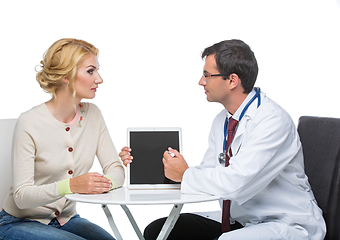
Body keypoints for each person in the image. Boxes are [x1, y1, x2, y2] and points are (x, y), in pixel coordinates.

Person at [119, 39, 326, 240]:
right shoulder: (223, 120)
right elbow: (211, 172)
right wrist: (165, 170)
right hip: (243, 218)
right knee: (157, 231)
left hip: (284, 222)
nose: (201, 81)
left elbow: (235, 184)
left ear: (232, 80)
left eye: (207, 75)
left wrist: (186, 174)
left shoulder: (271, 120)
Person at [0, 38, 125, 240]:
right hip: (18, 223)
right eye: (91, 71)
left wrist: (98, 184)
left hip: (67, 219)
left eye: (97, 70)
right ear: (67, 76)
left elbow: (116, 169)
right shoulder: (30, 122)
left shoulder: (94, 115)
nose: (99, 79)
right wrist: (71, 186)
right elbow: (22, 196)